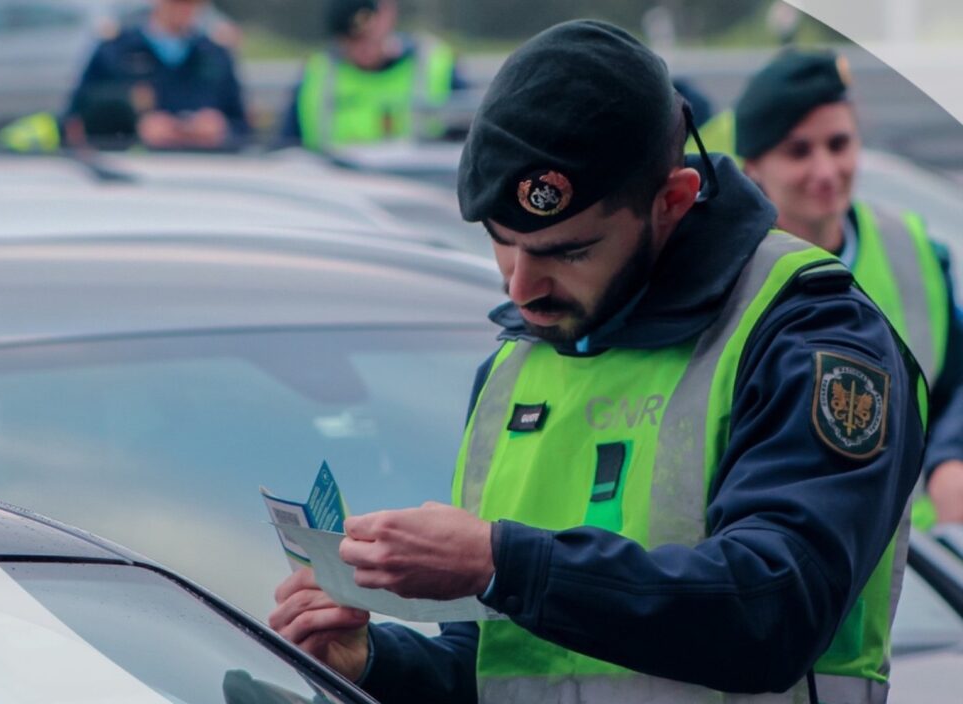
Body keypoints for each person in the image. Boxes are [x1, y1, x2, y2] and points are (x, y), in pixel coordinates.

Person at [269, 21, 924, 703]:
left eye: (569, 251)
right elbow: (502, 665)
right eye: (503, 243)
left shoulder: (809, 333)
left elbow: (770, 613)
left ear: (672, 200)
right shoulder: (516, 366)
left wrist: (499, 561)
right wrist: (375, 663)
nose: (520, 288)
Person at [734, 48, 963, 525]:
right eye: (798, 151)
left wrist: (949, 458)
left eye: (839, 144)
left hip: (917, 559)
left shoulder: (915, 251)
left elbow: (954, 384)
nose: (825, 171)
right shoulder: (724, 273)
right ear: (752, 166)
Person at [276, 0, 465, 151]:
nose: (362, 47)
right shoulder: (317, 76)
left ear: (388, 12)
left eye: (368, 35)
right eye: (351, 40)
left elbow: (470, 145)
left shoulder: (434, 65)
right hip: (341, 189)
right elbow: (286, 150)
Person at [61, 0, 249, 150]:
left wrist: (222, 128)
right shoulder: (115, 51)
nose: (183, 8)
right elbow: (79, 119)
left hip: (205, 170)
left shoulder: (215, 55)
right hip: (136, 170)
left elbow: (243, 126)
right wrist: (136, 127)